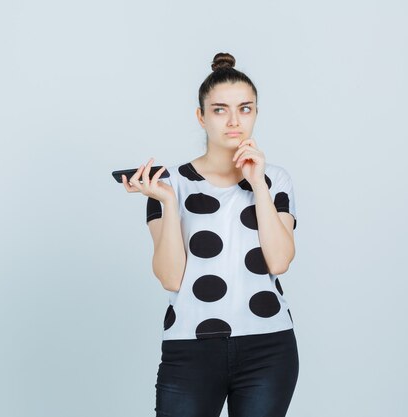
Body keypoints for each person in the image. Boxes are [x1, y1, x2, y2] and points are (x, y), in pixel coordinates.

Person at [121, 52, 300, 417]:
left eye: (245, 109)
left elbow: (279, 261)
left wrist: (257, 185)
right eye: (220, 110)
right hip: (191, 348)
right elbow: (171, 278)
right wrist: (170, 204)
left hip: (268, 347)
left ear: (256, 113)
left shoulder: (275, 179)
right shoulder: (167, 183)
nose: (234, 121)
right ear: (201, 117)